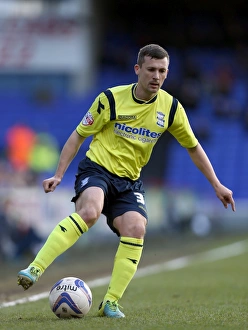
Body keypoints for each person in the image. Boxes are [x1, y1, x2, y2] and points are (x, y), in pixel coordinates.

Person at [17, 44, 235, 318]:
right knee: (89, 211)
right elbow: (77, 135)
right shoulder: (110, 99)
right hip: (97, 170)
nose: (157, 76)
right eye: (151, 69)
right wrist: (59, 174)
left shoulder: (171, 108)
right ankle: (35, 268)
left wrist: (216, 184)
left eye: (162, 71)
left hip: (130, 181)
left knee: (136, 228)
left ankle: (110, 302)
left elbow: (193, 146)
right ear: (138, 70)